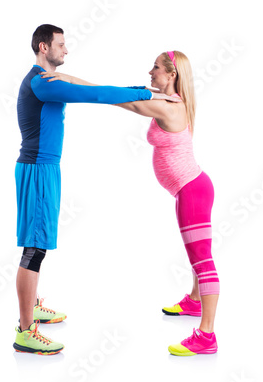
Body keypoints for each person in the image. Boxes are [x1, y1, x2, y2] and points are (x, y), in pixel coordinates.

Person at [41, 50, 220, 356]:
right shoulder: (171, 101)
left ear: (171, 75)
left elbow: (115, 99)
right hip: (188, 190)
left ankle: (207, 336)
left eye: (156, 68)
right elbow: (122, 94)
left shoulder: (169, 108)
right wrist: (70, 80)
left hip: (192, 191)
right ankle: (193, 301)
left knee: (203, 260)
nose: (150, 72)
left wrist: (70, 81)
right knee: (196, 254)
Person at [13, 24, 171, 355]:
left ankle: (33, 306)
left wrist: (143, 90)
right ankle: (25, 330)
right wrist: (150, 93)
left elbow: (94, 86)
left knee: (38, 241)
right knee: (35, 247)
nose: (66, 50)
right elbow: (96, 96)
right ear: (44, 47)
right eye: (61, 44)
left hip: (44, 169)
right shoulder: (43, 83)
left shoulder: (48, 80)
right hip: (39, 170)